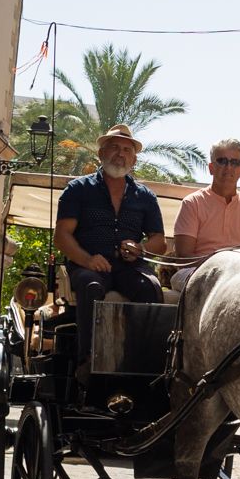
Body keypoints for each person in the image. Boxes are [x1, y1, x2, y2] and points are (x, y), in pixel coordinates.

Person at [54, 124, 168, 378]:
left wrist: (140, 248)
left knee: (151, 287)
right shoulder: (79, 189)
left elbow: (159, 242)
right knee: (91, 286)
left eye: (127, 149)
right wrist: (87, 259)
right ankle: (88, 362)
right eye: (115, 147)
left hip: (130, 267)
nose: (121, 154)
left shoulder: (145, 196)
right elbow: (62, 236)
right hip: (88, 265)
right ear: (101, 153)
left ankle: (145, 362)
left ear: (134, 158)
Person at [170, 138, 240, 291]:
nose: (228, 167)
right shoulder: (192, 203)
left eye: (235, 162)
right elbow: (183, 257)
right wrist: (221, 267)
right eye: (222, 161)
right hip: (198, 273)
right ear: (211, 168)